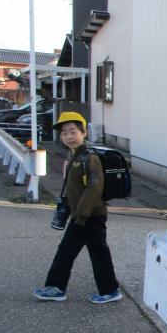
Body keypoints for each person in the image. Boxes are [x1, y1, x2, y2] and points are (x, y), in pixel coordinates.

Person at [34, 112, 122, 303]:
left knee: (95, 253)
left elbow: (95, 186)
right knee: (70, 251)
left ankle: (109, 290)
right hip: (80, 215)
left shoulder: (90, 157)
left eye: (73, 131)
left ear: (84, 132)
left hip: (91, 216)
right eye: (64, 133)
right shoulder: (74, 155)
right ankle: (58, 287)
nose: (68, 136)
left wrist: (81, 214)